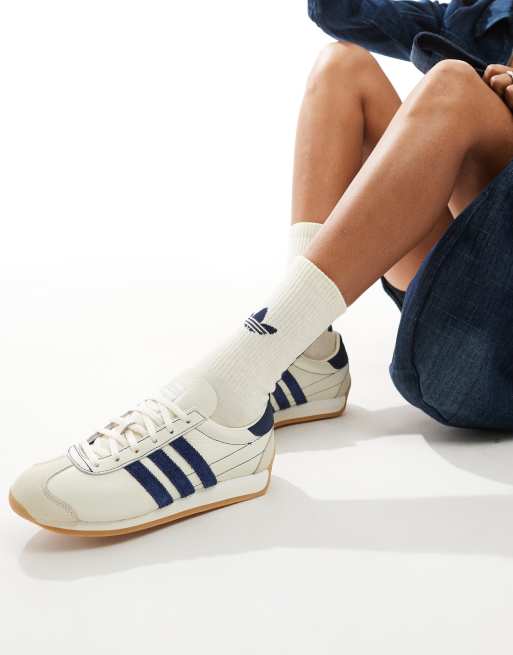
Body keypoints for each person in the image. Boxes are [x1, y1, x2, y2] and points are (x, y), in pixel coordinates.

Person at [9, 34, 513, 536]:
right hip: (473, 294)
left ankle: (229, 399)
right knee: (343, 68)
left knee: (453, 88)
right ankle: (306, 350)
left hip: (498, 363)